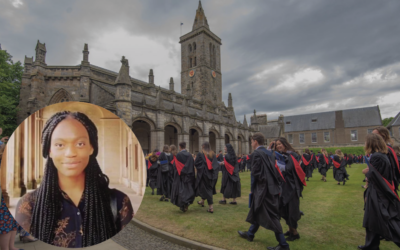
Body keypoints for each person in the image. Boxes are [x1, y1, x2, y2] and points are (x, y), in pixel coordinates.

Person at [15, 111, 134, 248]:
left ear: (91, 148)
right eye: (60, 145)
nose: (70, 153)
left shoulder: (119, 202)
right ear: (49, 151)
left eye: (80, 144)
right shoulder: (28, 205)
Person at [238, 132, 290, 250]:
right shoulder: (269, 152)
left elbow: (255, 173)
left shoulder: (256, 153)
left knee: (272, 216)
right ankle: (250, 234)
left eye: (251, 141)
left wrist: (253, 190)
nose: (251, 144)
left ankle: (284, 245)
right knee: (258, 209)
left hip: (264, 189)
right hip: (273, 188)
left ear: (255, 141)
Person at [358, 133, 400, 249]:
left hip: (378, 193)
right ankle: (371, 245)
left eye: (366, 142)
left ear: (371, 143)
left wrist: (367, 172)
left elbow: (375, 176)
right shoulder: (382, 155)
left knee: (388, 222)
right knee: (372, 220)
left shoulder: (377, 156)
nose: (365, 144)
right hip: (377, 192)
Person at [273, 137, 306, 242]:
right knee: (284, 210)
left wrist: (279, 166)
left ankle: (295, 233)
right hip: (284, 186)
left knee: (291, 210)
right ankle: (291, 230)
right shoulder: (281, 155)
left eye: (280, 144)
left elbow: (289, 169)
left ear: (284, 144)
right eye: (277, 145)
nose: (278, 146)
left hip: (291, 187)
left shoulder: (292, 155)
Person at [170, 142, 196, 212]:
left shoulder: (178, 155)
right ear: (185, 146)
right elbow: (191, 166)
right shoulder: (189, 155)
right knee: (187, 190)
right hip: (188, 176)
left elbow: (175, 166)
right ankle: (186, 204)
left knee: (180, 190)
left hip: (180, 176)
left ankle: (182, 204)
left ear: (179, 147)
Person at [372, 127, 400, 191]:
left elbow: (387, 170)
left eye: (375, 134)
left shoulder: (385, 150)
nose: (372, 137)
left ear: (383, 135)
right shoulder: (388, 148)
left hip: (386, 185)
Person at [194, 142, 219, 213]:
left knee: (207, 190)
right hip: (212, 175)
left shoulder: (200, 154)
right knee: (206, 188)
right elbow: (215, 165)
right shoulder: (213, 153)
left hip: (204, 175)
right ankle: (202, 201)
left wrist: (201, 168)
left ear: (203, 146)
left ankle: (211, 207)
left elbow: (196, 163)